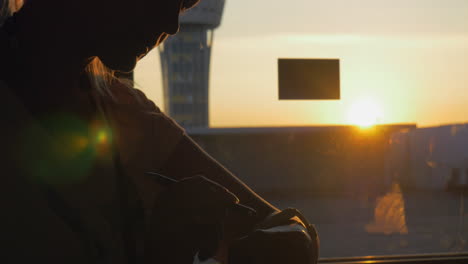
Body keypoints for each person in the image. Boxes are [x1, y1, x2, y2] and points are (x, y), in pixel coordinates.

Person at [0, 0, 318, 263]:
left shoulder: (123, 107)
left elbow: (275, 223)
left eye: (181, 4)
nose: (171, 22)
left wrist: (288, 236)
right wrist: (166, 245)